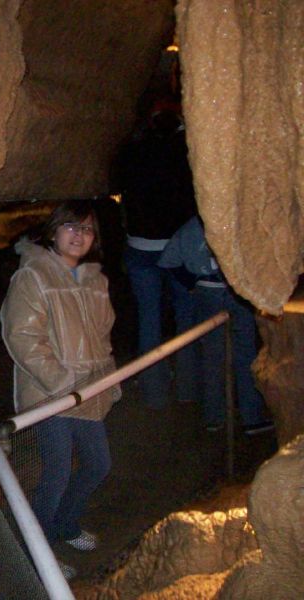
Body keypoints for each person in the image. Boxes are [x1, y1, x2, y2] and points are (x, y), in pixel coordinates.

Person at [0, 200, 120, 580]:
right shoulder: (33, 277)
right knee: (56, 475)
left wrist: (109, 381)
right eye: (71, 227)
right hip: (51, 396)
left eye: (86, 229)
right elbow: (23, 338)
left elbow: (102, 339)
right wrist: (61, 383)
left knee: (98, 464)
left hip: (89, 391)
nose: (79, 235)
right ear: (53, 231)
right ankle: (39, 554)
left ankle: (65, 524)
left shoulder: (95, 280)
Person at [111, 102, 198, 409]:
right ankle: (188, 388)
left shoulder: (132, 152)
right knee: (187, 318)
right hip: (177, 249)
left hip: (140, 247)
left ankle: (154, 393)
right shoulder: (182, 151)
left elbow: (117, 185)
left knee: (149, 319)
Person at [158, 216, 274, 435]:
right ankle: (252, 417)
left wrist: (192, 282)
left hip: (208, 293)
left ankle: (214, 417)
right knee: (245, 355)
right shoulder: (239, 220)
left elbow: (169, 260)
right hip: (235, 293)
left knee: (213, 357)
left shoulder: (191, 226)